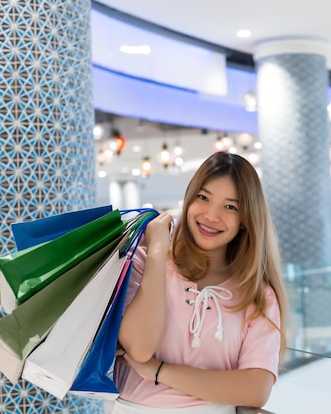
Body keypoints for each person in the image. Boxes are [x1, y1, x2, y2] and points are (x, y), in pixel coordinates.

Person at [113, 152, 289, 413]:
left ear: (245, 219)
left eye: (230, 206)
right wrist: (158, 253)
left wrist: (159, 371)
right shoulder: (142, 262)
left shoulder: (257, 294)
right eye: (203, 198)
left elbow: (256, 389)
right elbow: (139, 348)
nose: (211, 215)